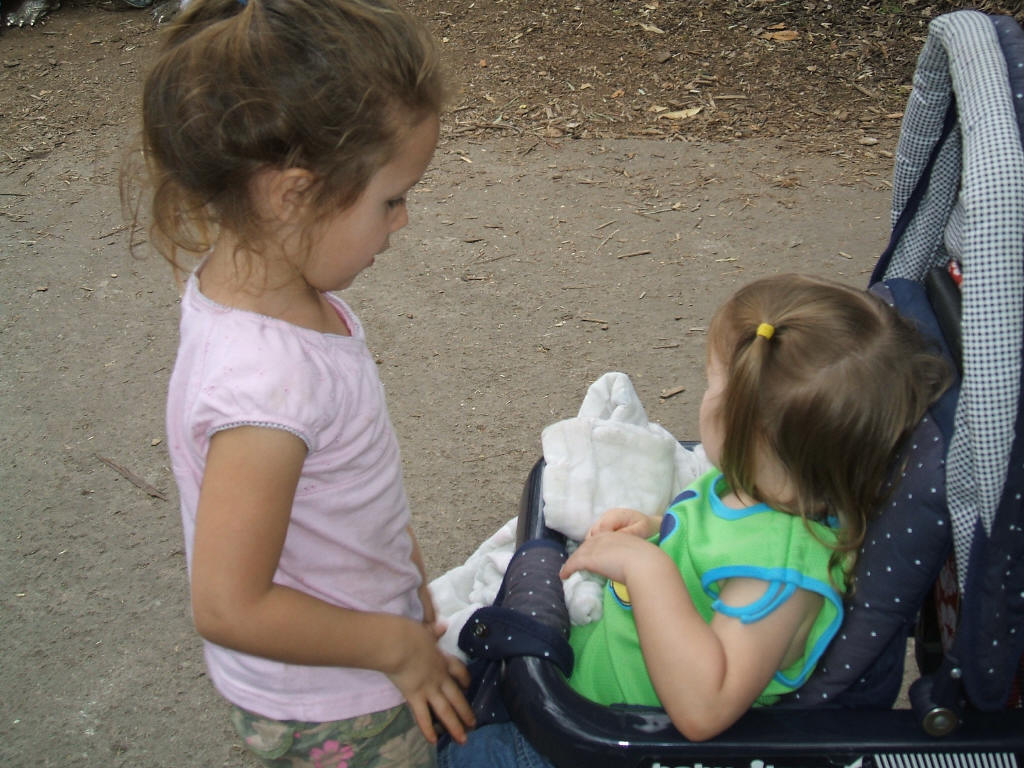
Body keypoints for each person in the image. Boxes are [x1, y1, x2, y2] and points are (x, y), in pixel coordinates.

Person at [134, 0, 476, 764]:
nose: (402, 221)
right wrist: (394, 646)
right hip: (336, 707)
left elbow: (340, 496)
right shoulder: (267, 387)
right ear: (293, 195)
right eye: (391, 199)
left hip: (357, 653)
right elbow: (228, 605)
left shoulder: (267, 299)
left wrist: (405, 576)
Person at [439, 273, 952, 766]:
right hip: (581, 692)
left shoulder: (779, 575)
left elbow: (704, 709)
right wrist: (655, 530)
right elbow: (709, 546)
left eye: (712, 384)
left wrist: (648, 570)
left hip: (606, 746)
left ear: (739, 425)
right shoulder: (747, 485)